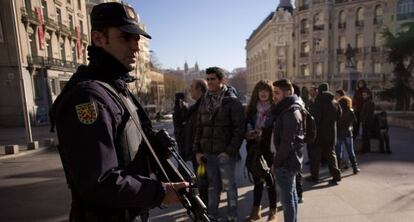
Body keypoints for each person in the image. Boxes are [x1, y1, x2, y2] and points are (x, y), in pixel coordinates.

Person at [51, 3, 187, 221]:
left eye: (137, 39)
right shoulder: (88, 97)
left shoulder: (116, 88)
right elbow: (99, 181)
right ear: (98, 38)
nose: (135, 46)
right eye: (125, 37)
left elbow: (128, 153)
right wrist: (160, 193)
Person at [193, 67, 245, 222]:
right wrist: (197, 151)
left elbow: (239, 130)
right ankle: (212, 216)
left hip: (225, 155)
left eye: (212, 79)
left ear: (222, 81)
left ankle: (232, 217)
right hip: (208, 154)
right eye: (207, 79)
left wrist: (229, 151)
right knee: (212, 188)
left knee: (229, 188)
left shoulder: (232, 101)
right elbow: (199, 127)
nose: (209, 82)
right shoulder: (204, 100)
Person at [272, 79, 305, 222]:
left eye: (277, 93)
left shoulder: (290, 112)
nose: (274, 96)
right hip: (290, 160)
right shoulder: (290, 108)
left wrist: (277, 163)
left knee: (287, 200)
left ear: (288, 92)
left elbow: (287, 143)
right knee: (291, 196)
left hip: (286, 162)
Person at [244, 80, 277, 222]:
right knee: (257, 180)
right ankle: (255, 211)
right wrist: (250, 132)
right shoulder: (251, 108)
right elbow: (245, 124)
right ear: (256, 93)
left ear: (270, 92)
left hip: (268, 147)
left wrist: (265, 132)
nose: (263, 93)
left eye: (266, 90)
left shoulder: (275, 108)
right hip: (253, 146)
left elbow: (278, 129)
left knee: (270, 179)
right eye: (260, 90)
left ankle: (272, 212)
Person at [308, 83, 342, 184]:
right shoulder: (334, 101)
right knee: (331, 155)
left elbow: (314, 118)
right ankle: (337, 175)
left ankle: (314, 176)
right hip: (331, 133)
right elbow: (338, 116)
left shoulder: (318, 101)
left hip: (318, 134)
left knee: (315, 156)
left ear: (319, 90)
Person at [182, 79, 209, 203]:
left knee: (203, 182)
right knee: (201, 181)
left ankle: (205, 211)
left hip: (201, 154)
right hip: (196, 151)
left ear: (199, 89)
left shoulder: (204, 106)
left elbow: (204, 130)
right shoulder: (196, 107)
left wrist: (199, 150)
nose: (189, 89)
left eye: (192, 87)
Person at [335, 96, 361, 174]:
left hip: (339, 133)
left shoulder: (338, 111)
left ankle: (338, 169)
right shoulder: (350, 111)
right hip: (347, 133)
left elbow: (335, 122)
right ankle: (355, 168)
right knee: (350, 151)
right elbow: (354, 121)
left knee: (338, 152)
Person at [173, 92, 187, 159]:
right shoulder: (179, 108)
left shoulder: (176, 108)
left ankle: (181, 168)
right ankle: (181, 169)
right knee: (182, 155)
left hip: (178, 133)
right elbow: (185, 118)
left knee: (182, 154)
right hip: (181, 134)